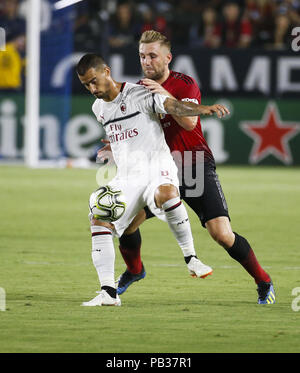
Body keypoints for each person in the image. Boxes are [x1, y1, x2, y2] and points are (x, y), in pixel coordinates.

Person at [98, 30, 275, 305]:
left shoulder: (184, 84)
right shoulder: (137, 90)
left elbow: (190, 123)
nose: (147, 61)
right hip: (157, 169)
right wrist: (115, 144)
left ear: (168, 57)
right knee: (125, 224)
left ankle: (263, 280)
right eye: (142, 56)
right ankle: (135, 270)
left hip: (192, 164)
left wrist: (163, 93)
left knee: (221, 234)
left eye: (152, 56)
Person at [76, 53, 229, 307]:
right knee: (99, 215)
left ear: (106, 71)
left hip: (158, 167)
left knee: (167, 193)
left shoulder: (139, 93)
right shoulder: (98, 109)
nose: (92, 89)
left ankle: (192, 259)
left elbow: (173, 107)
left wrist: (203, 109)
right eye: (86, 85)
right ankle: (108, 293)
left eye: (94, 81)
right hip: (129, 177)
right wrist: (114, 147)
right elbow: (125, 137)